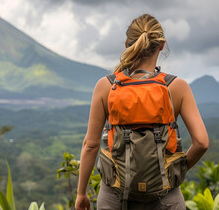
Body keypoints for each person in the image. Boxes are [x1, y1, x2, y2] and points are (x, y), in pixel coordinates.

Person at [75, 14, 209, 210]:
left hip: (114, 198)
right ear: (161, 45)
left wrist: (81, 193)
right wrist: (174, 171)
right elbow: (202, 142)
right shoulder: (177, 87)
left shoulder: (106, 86)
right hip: (166, 197)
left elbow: (90, 145)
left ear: (128, 44)